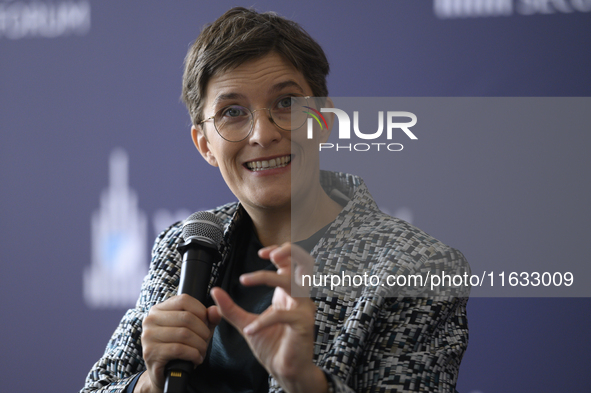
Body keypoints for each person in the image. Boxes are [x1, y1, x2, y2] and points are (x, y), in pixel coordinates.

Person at [81, 7, 469, 393]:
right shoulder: (185, 245)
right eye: (233, 112)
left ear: (324, 121)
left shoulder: (420, 266)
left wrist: (304, 382)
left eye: (286, 103)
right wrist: (149, 382)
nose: (262, 134)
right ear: (205, 146)